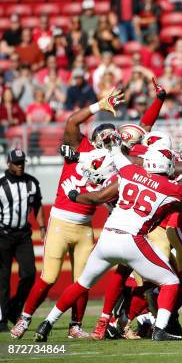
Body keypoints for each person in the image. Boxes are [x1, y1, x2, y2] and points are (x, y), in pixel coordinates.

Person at [33, 147, 182, 342]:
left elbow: (99, 195)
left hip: (107, 238)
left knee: (82, 283)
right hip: (132, 240)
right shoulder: (172, 188)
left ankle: (47, 323)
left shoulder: (130, 172)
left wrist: (74, 195)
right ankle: (160, 329)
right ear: (167, 165)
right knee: (170, 281)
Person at [10, 88, 124, 340]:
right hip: (62, 220)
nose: (107, 138)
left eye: (110, 135)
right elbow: (72, 121)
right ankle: (24, 318)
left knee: (82, 280)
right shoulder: (78, 145)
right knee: (49, 276)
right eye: (102, 135)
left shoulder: (118, 163)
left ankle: (75, 326)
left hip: (84, 225)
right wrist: (99, 105)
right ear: (93, 138)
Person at [0, 149, 44, 332]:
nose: (20, 166)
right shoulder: (1, 185)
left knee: (29, 273)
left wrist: (42, 228)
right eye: (16, 163)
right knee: (3, 277)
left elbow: (37, 205)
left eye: (22, 163)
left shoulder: (31, 183)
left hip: (23, 235)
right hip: (3, 234)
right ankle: (2, 318)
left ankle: (13, 308)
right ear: (8, 164)